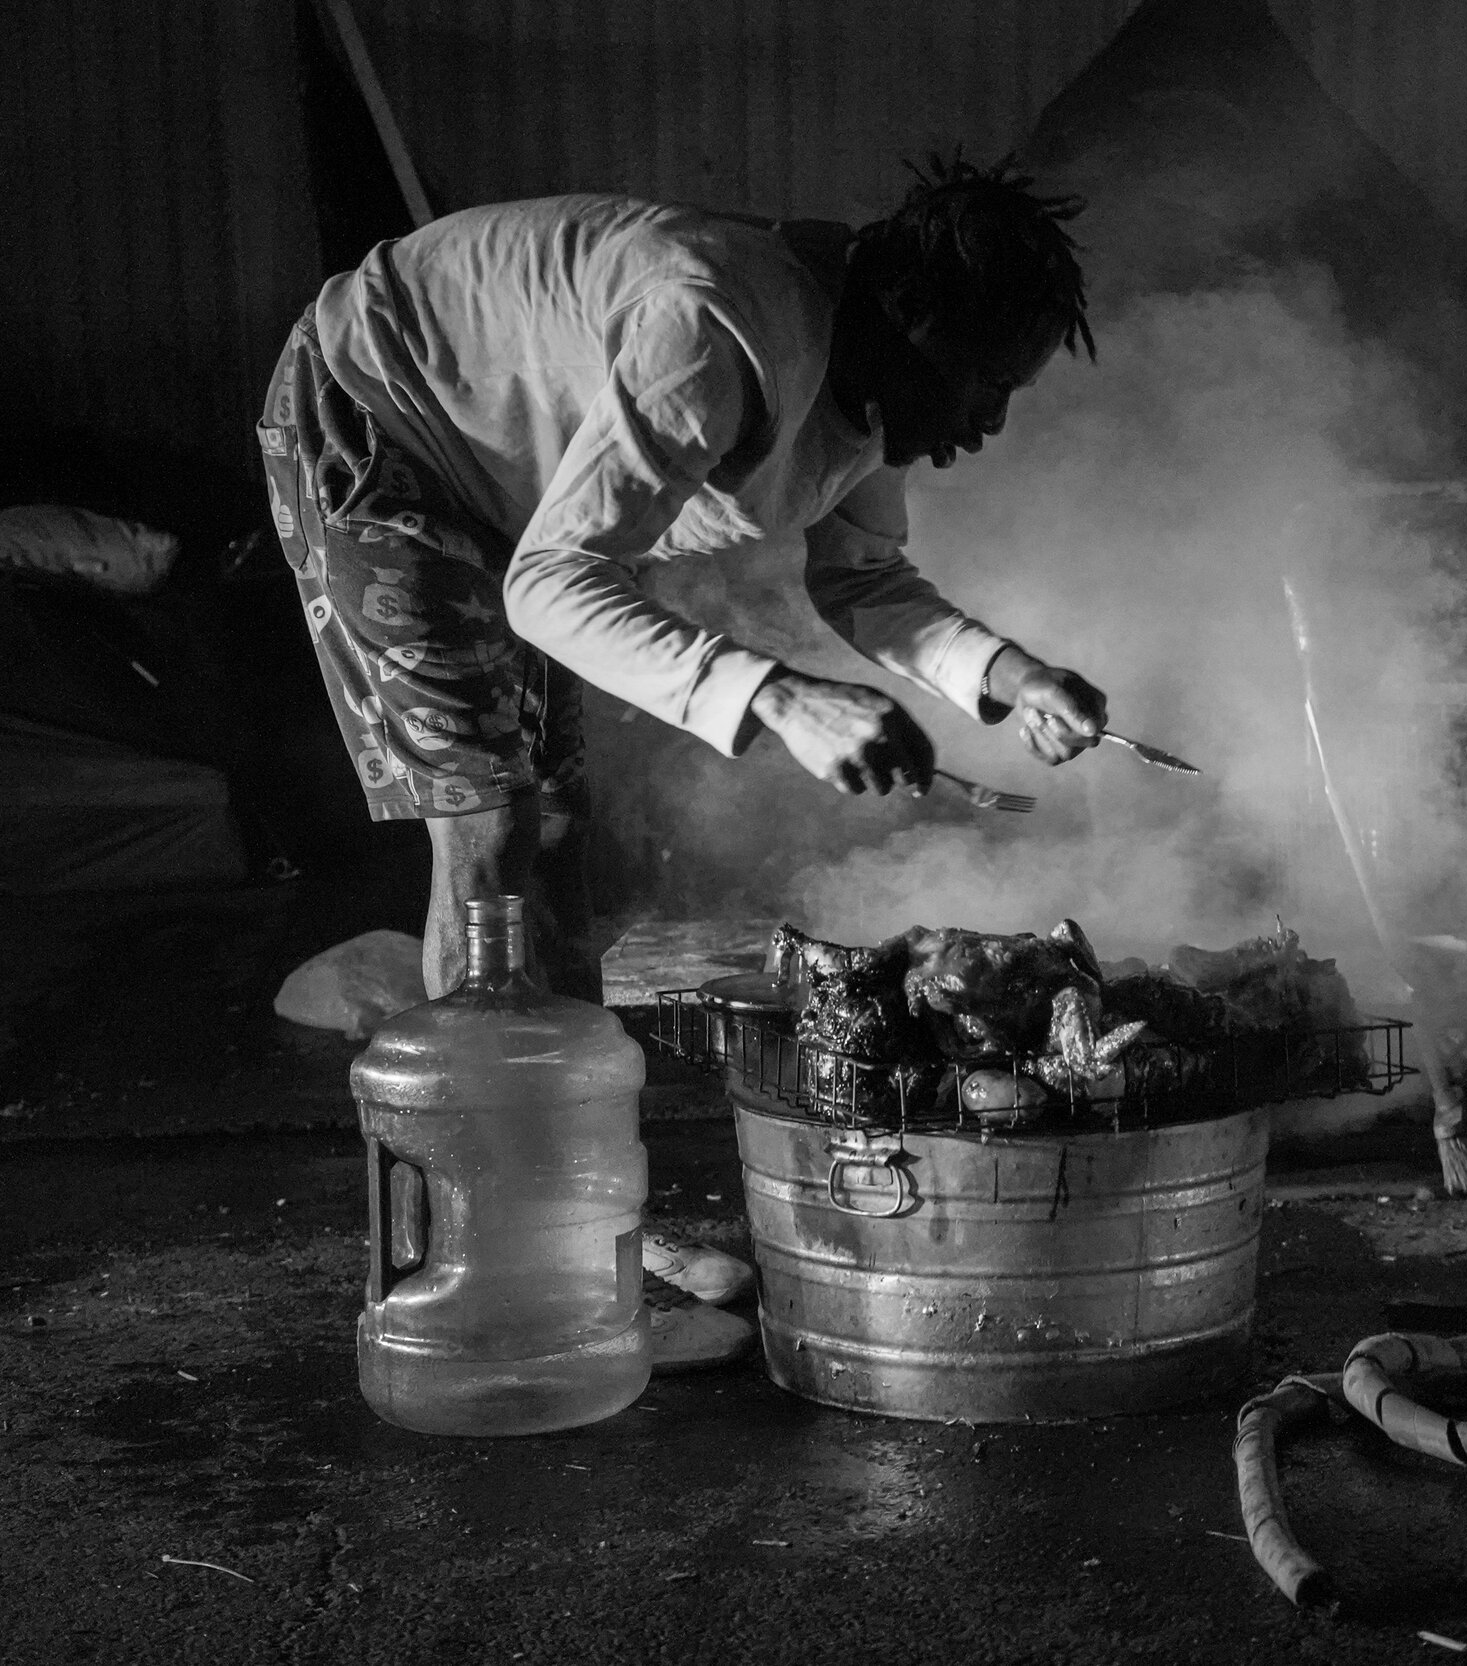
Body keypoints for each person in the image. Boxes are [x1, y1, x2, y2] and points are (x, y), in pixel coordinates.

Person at [257, 158, 1109, 1368]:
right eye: (986, 385)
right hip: (378, 427)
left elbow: (861, 577)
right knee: (490, 826)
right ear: (914, 327)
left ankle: (581, 1219)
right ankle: (485, 1249)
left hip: (500, 495)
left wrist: (1012, 676)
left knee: (558, 834)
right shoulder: (710, 326)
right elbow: (552, 584)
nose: (988, 423)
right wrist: (778, 696)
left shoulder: (872, 389)